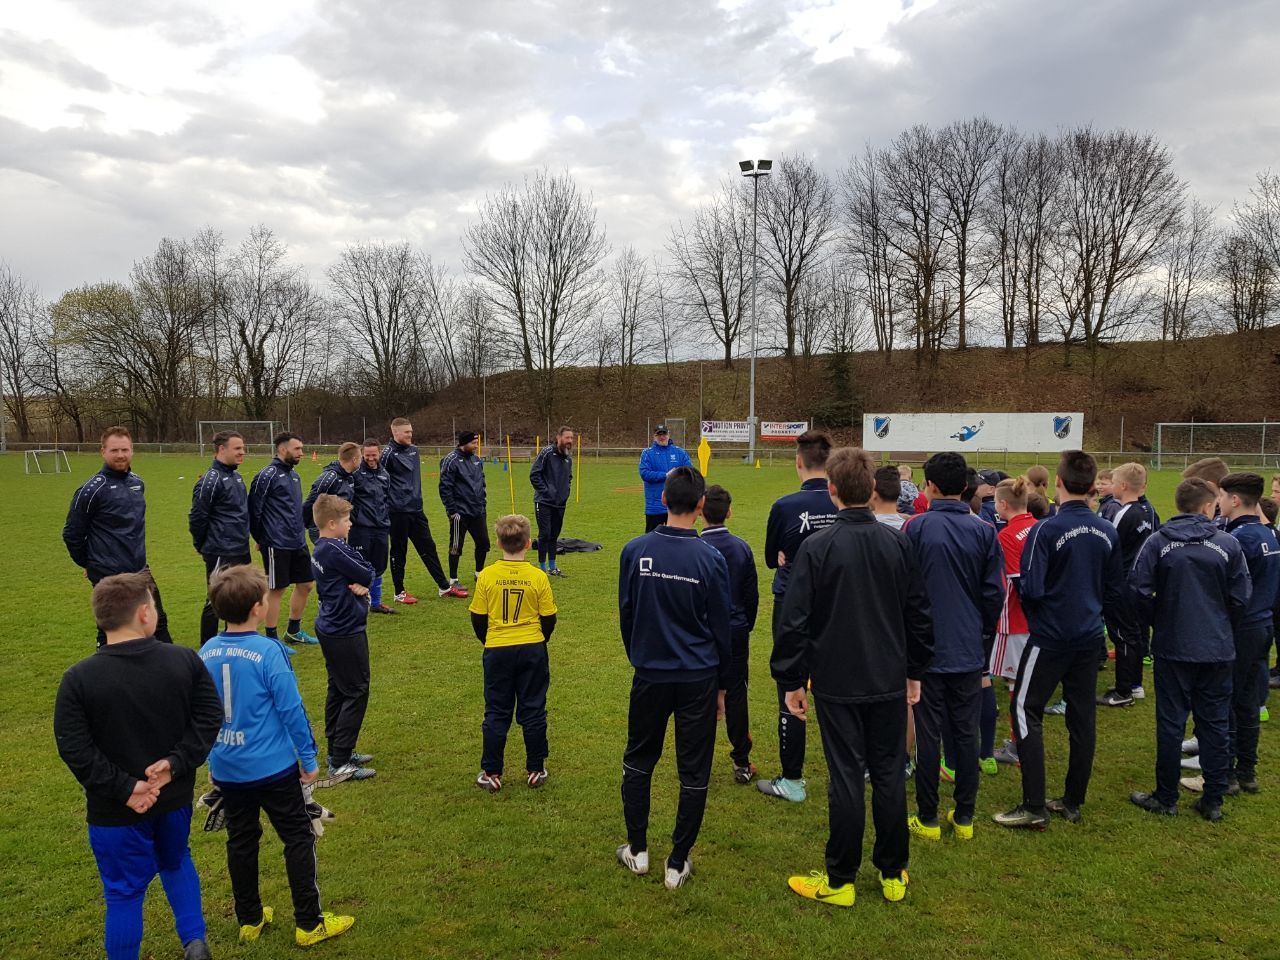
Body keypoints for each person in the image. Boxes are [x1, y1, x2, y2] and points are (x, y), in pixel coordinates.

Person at [774, 447, 933, 908]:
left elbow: (793, 621)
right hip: (858, 677)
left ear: (833, 491)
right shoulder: (851, 545)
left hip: (858, 679)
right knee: (885, 772)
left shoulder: (879, 543)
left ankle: (864, 874)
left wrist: (915, 672)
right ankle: (874, 872)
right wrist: (794, 679)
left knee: (854, 776)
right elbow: (919, 615)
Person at [54, 573, 223, 960]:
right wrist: (175, 765)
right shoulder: (183, 659)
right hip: (170, 798)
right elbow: (209, 717)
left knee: (124, 892)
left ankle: (185, 945)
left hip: (115, 811)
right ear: (146, 613)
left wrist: (125, 787)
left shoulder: (78, 679)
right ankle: (195, 943)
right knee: (175, 860)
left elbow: (75, 748)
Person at [199, 564, 356, 946]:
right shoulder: (268, 651)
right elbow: (291, 709)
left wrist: (212, 759)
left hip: (229, 767)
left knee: (241, 840)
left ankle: (249, 918)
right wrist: (309, 758)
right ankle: (309, 923)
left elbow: (201, 714)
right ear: (258, 607)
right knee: (298, 837)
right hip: (272, 768)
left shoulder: (206, 651)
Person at [993, 452, 1123, 829]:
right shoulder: (1107, 530)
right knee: (1082, 717)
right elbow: (1115, 588)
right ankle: (1072, 800)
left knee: (1024, 708)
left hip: (1051, 636)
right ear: (1093, 485)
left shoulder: (1045, 529)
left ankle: (1034, 805)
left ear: (1060, 483)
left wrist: (1045, 617)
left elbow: (1031, 588)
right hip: (1089, 636)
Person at [616, 466, 731, 890]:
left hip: (658, 675)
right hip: (694, 678)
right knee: (689, 768)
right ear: (700, 505)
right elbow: (722, 629)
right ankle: (658, 857)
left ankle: (656, 854)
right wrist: (722, 685)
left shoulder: (639, 551)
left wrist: (642, 656)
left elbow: (627, 615)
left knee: (641, 760)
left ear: (664, 499)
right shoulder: (705, 557)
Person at [1129, 478, 1251, 821]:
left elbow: (1137, 589)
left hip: (1178, 646)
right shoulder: (1223, 543)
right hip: (1211, 646)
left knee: (1172, 723)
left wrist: (1160, 619)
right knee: (1214, 723)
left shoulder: (1161, 542)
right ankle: (1210, 799)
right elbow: (1242, 596)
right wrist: (1219, 623)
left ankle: (1173, 797)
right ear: (1207, 506)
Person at [902, 451, 1002, 841]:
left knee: (929, 733)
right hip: (965, 647)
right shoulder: (982, 530)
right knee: (964, 731)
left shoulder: (916, 528)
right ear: (965, 487)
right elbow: (993, 594)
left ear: (929, 486)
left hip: (928, 647)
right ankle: (963, 816)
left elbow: (903, 590)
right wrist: (982, 634)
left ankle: (930, 817)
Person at [758, 430, 839, 802]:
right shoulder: (843, 502)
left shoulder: (785, 505)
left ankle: (793, 779)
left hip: (792, 605)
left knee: (791, 686)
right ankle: (847, 772)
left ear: (798, 462)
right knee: (836, 686)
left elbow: (770, 556)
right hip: (836, 604)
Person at [469, 514, 558, 792]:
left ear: (498, 543)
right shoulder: (538, 577)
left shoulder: (487, 576)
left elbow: (478, 618)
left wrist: (490, 640)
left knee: (497, 711)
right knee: (533, 708)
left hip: (498, 649)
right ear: (529, 543)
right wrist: (539, 640)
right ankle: (536, 769)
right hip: (532, 649)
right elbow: (549, 618)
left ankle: (492, 772)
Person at [63, 426, 172, 646]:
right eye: (114, 450)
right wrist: (90, 563)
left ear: (132, 450)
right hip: (109, 574)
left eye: (125, 450)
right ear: (103, 452)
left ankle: (169, 666)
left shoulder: (137, 483)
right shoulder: (91, 490)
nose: (120, 455)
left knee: (157, 622)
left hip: (140, 569)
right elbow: (72, 533)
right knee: (111, 629)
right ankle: (105, 668)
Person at [1213, 473, 1278, 795]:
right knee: (1250, 701)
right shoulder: (1269, 534)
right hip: (1264, 624)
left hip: (1241, 628)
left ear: (1235, 499)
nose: (1219, 502)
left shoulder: (1237, 539)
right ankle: (1247, 771)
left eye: (1222, 496)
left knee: (1227, 698)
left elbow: (1230, 590)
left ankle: (1226, 774)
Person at [311, 494, 377, 781]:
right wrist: (364, 581)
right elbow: (367, 572)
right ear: (332, 523)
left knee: (338, 688)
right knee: (356, 689)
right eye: (347, 520)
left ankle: (337, 750)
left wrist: (363, 581)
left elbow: (365, 572)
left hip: (332, 626)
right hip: (344, 629)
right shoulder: (335, 550)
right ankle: (340, 761)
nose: (350, 524)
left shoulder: (322, 548)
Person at [700, 485, 760, 783]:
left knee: (702, 694)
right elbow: (751, 595)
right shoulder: (741, 548)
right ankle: (741, 761)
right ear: (729, 512)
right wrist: (745, 625)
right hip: (734, 631)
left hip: (704, 634)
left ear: (701, 512)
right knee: (736, 694)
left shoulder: (697, 549)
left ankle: (699, 761)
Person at [383, 417, 467, 603]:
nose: (410, 435)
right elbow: (380, 479)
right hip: (397, 512)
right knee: (399, 551)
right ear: (395, 432)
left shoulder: (414, 450)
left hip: (416, 509)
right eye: (406, 432)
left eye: (411, 431)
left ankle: (444, 587)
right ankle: (399, 592)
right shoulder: (387, 454)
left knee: (428, 547)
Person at [1098, 462, 1161, 707]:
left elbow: (1107, 545)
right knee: (1134, 634)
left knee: (1123, 636)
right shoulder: (1150, 510)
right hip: (1143, 583)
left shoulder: (1124, 513)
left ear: (1123, 485)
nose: (1111, 486)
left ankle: (1123, 691)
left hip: (1122, 584)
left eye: (1113, 482)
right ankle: (1135, 685)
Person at [248, 432, 318, 645]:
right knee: (277, 589)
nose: (301, 453)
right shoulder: (266, 475)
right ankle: (272, 639)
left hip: (297, 540)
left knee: (306, 584)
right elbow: (254, 510)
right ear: (282, 449)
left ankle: (293, 631)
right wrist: (261, 538)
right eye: (297, 449)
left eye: (302, 449)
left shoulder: (294, 475)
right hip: (276, 542)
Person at [990, 477, 1036, 766]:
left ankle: (1018, 745)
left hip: (1016, 620)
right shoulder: (1039, 526)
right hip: (1036, 621)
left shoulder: (1007, 536)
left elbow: (1017, 583)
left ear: (1004, 504)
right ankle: (1020, 741)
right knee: (1023, 683)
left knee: (1015, 684)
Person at [190, 429, 250, 645]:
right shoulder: (210, 480)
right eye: (237, 448)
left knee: (240, 597)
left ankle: (234, 641)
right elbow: (197, 517)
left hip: (240, 548)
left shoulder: (236, 476)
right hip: (220, 550)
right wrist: (202, 545)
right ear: (221, 449)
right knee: (215, 599)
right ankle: (207, 647)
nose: (242, 452)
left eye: (243, 448)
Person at [440, 431, 489, 586]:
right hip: (460, 513)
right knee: (456, 546)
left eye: (477, 443)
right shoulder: (451, 460)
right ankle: (453, 579)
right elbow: (445, 487)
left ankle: (479, 573)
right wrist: (452, 511)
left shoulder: (476, 460)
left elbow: (482, 483)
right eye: (473, 443)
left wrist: (483, 504)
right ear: (463, 443)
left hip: (478, 511)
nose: (476, 446)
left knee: (484, 543)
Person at [351, 439, 394, 615]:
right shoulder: (355, 474)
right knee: (359, 566)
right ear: (362, 454)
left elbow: (387, 498)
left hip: (381, 527)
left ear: (380, 453)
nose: (370, 458)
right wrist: (355, 518)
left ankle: (375, 603)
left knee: (379, 565)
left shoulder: (385, 474)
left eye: (374, 455)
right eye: (367, 455)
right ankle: (356, 604)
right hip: (361, 529)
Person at [529, 427, 575, 576]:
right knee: (544, 534)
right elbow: (534, 474)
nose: (569, 441)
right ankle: (542, 569)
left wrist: (565, 493)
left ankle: (553, 567)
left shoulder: (568, 458)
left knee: (554, 535)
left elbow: (569, 478)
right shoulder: (547, 453)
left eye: (571, 438)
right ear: (558, 438)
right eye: (567, 437)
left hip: (560, 504)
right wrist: (546, 492)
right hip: (544, 502)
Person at [638, 424, 692, 532]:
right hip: (655, 507)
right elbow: (644, 473)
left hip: (676, 506)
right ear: (654, 436)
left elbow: (690, 472)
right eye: (659, 434)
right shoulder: (647, 453)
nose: (662, 437)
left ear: (669, 435)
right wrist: (665, 475)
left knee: (676, 538)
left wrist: (677, 475)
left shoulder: (680, 452)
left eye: (664, 434)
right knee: (652, 539)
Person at [303, 442, 360, 543]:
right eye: (360, 458)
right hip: (323, 529)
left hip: (339, 527)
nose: (361, 461)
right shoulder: (329, 478)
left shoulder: (350, 477)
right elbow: (312, 501)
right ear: (354, 460)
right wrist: (308, 524)